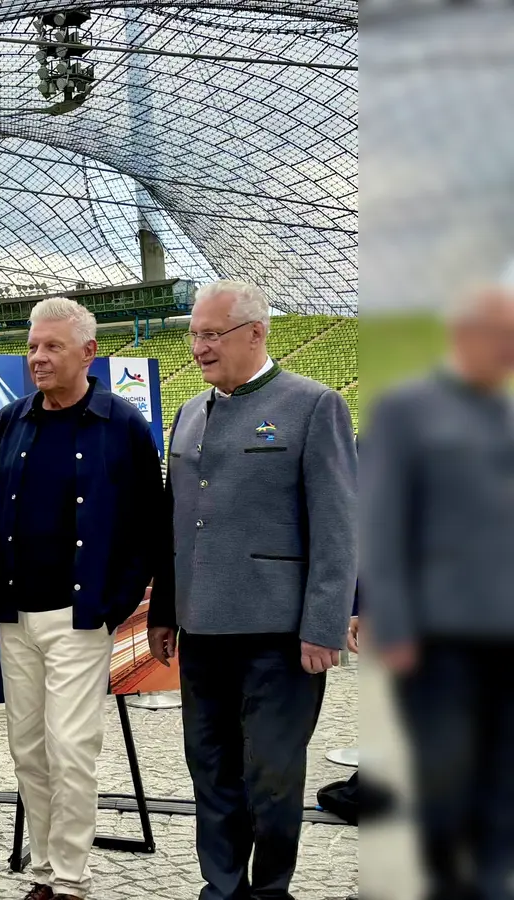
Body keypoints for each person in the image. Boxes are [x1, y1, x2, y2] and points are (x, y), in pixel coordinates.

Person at [148, 279, 357, 900]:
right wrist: (164, 611)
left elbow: (338, 528)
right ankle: (223, 888)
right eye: (193, 335)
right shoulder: (189, 413)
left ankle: (270, 890)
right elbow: (176, 524)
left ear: (256, 333)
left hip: (278, 633)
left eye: (211, 335)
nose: (199, 349)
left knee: (271, 774)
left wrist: (323, 625)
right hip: (202, 628)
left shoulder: (313, 406)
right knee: (210, 769)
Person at [0, 298, 167, 900]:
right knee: (27, 748)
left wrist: (115, 603)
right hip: (14, 616)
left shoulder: (122, 424)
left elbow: (148, 526)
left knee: (71, 747)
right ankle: (44, 872)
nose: (37, 358)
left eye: (52, 347)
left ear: (88, 353)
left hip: (80, 619)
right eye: (32, 346)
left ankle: (72, 880)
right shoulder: (11, 420)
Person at [362, 276, 514, 900]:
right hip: (439, 634)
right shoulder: (406, 409)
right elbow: (382, 523)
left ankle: (492, 881)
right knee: (446, 774)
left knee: (504, 774)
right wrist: (393, 625)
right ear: (464, 334)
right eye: (502, 336)